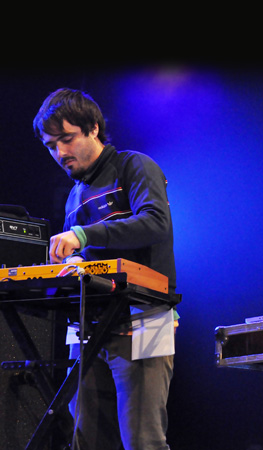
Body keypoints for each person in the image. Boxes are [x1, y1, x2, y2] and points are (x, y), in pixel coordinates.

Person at [33, 88, 177, 450]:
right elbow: (91, 251)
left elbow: (157, 223)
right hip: (87, 327)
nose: (59, 153)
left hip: (145, 319)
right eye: (51, 146)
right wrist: (73, 264)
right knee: (87, 441)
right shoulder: (73, 196)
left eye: (66, 139)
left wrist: (82, 235)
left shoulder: (134, 166)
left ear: (93, 129)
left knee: (143, 441)